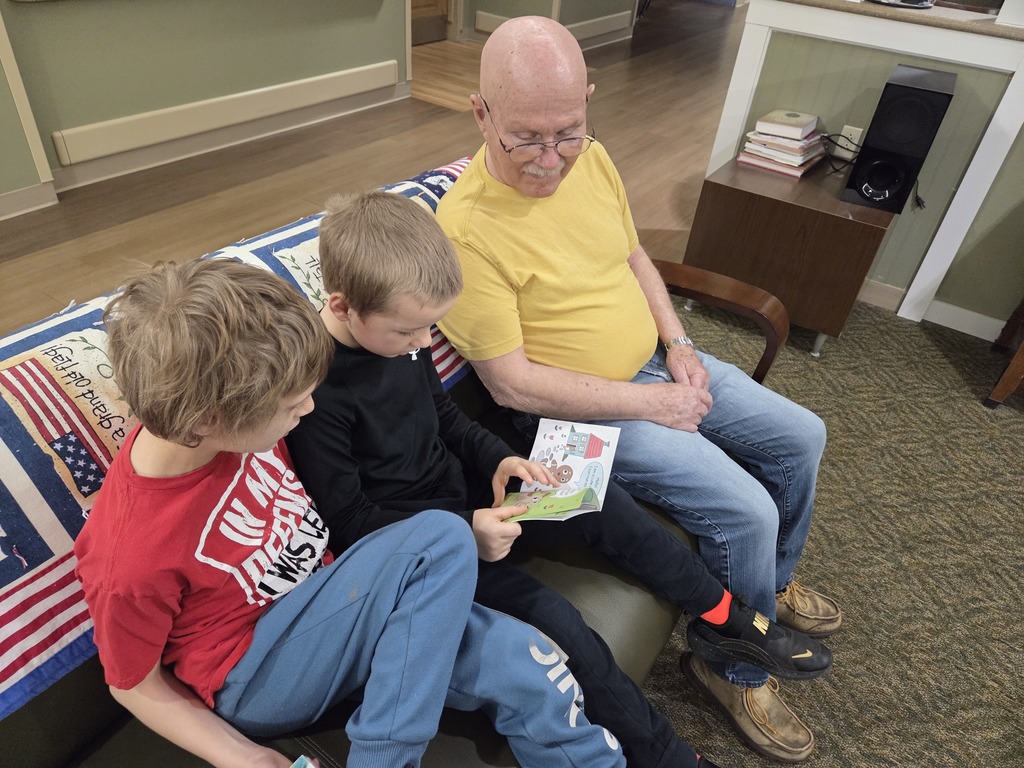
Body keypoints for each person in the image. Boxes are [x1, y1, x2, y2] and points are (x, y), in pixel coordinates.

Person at [285, 191, 832, 768]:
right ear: (342, 306)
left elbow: (444, 417)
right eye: (410, 332)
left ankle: (726, 616)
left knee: (602, 502)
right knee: (558, 624)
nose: (424, 344)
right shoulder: (316, 394)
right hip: (428, 549)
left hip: (472, 500)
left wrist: (501, 459)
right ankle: (668, 757)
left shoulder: (402, 332)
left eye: (430, 328)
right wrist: (467, 530)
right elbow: (352, 523)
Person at [432, 16, 844, 764]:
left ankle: (769, 590)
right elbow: (512, 383)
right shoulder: (463, 230)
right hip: (577, 414)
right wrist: (657, 403)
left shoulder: (591, 158)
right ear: (481, 113)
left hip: (656, 363)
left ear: (588, 102)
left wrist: (679, 345)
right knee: (748, 509)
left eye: (568, 132)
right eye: (526, 139)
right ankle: (732, 666)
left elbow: (633, 258)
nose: (551, 160)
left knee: (803, 436)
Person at [73, 259, 630, 768]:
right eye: (293, 405)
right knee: (441, 537)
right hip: (256, 670)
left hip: (343, 605)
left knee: (527, 661)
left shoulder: (239, 413)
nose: (310, 408)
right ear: (208, 422)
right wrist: (242, 757)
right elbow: (132, 683)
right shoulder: (128, 553)